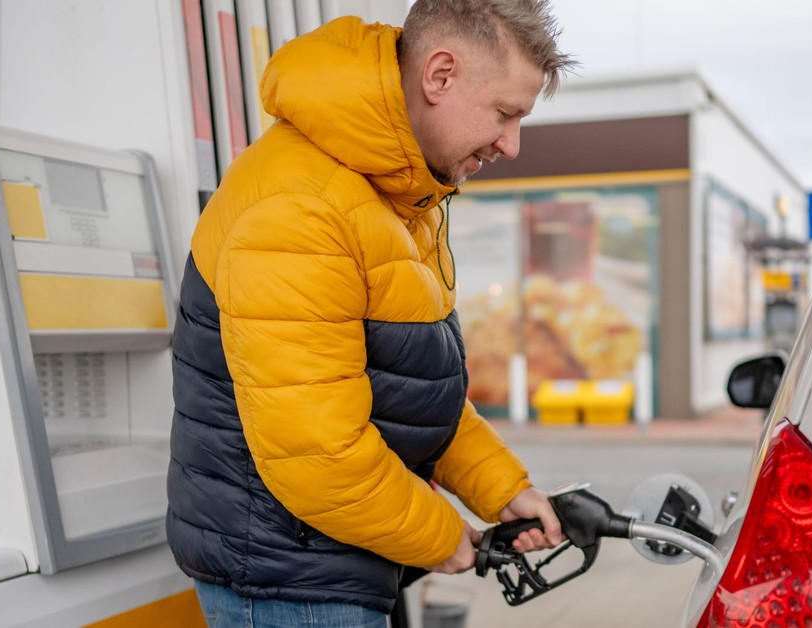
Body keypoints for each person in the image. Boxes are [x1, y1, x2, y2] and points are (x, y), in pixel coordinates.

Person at [165, 1, 577, 625]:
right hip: (288, 583)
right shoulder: (301, 209)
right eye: (504, 113)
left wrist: (503, 490)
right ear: (439, 75)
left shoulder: (395, 194)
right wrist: (444, 536)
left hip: (329, 564)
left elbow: (408, 388)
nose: (511, 145)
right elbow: (321, 457)